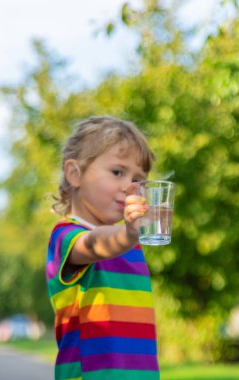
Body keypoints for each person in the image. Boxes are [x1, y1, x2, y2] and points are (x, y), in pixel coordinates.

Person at [46, 116, 160, 380]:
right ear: (74, 174)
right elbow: (96, 243)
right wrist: (130, 232)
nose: (130, 187)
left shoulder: (130, 246)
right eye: (118, 172)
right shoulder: (66, 237)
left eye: (139, 179)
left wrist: (130, 236)